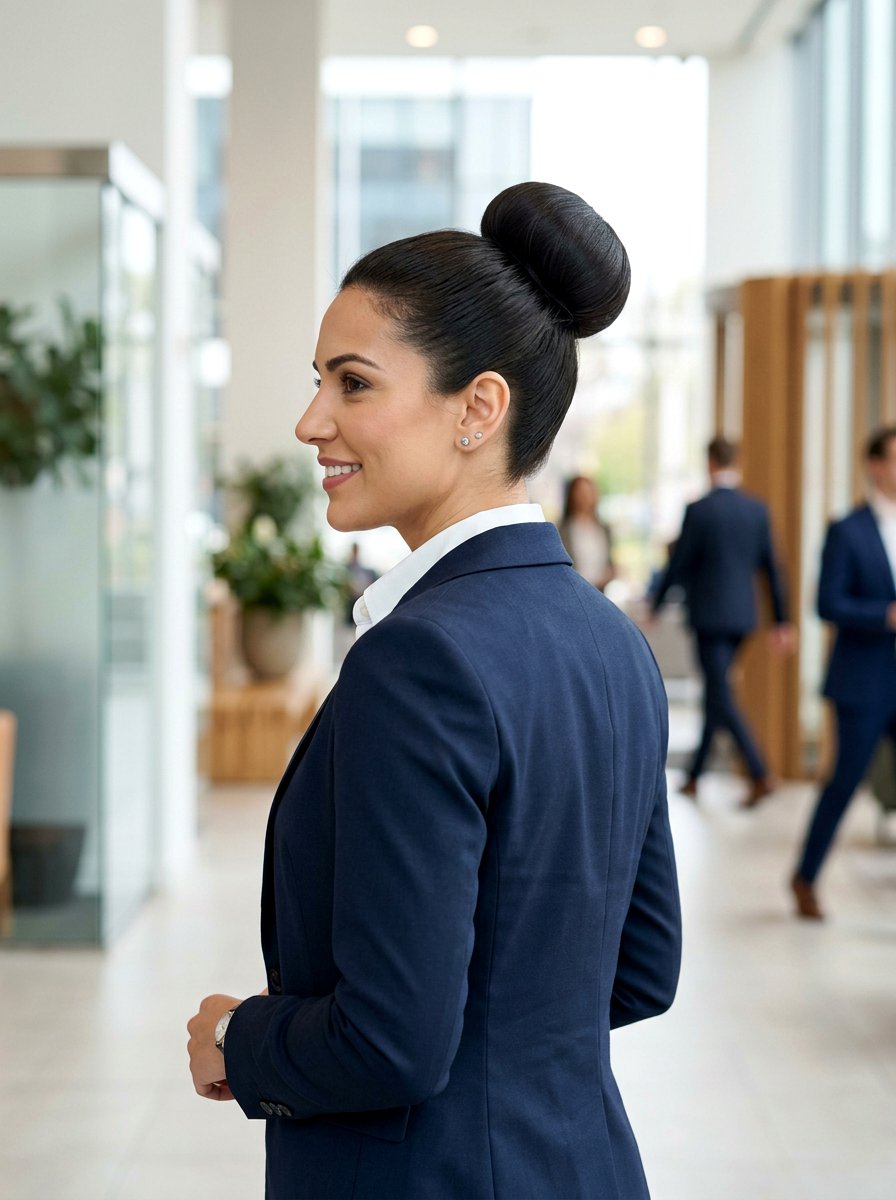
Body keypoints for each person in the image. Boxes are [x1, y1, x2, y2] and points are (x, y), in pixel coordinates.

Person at [187, 182, 681, 1200]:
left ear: (478, 408)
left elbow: (392, 1043)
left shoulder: (420, 663)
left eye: (352, 384)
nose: (308, 420)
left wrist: (243, 1038)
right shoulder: (610, 643)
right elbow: (636, 970)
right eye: (317, 380)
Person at [651, 436, 794, 806]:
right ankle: (696, 776)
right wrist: (782, 621)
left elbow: (679, 562)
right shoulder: (756, 510)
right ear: (737, 463)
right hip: (744, 618)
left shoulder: (699, 509)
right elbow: (772, 570)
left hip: (710, 617)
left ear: (711, 462)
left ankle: (761, 772)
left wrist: (657, 601)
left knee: (720, 694)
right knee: (717, 692)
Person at [791, 426, 896, 920]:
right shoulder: (847, 530)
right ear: (874, 465)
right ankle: (806, 876)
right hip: (863, 681)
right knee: (846, 781)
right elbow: (826, 603)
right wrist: (884, 615)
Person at [558, 474, 616, 591]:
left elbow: (610, 562)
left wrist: (610, 573)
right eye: (580, 492)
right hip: (573, 590)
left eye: (588, 492)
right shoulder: (562, 530)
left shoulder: (604, 529)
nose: (584, 497)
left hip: (599, 591)